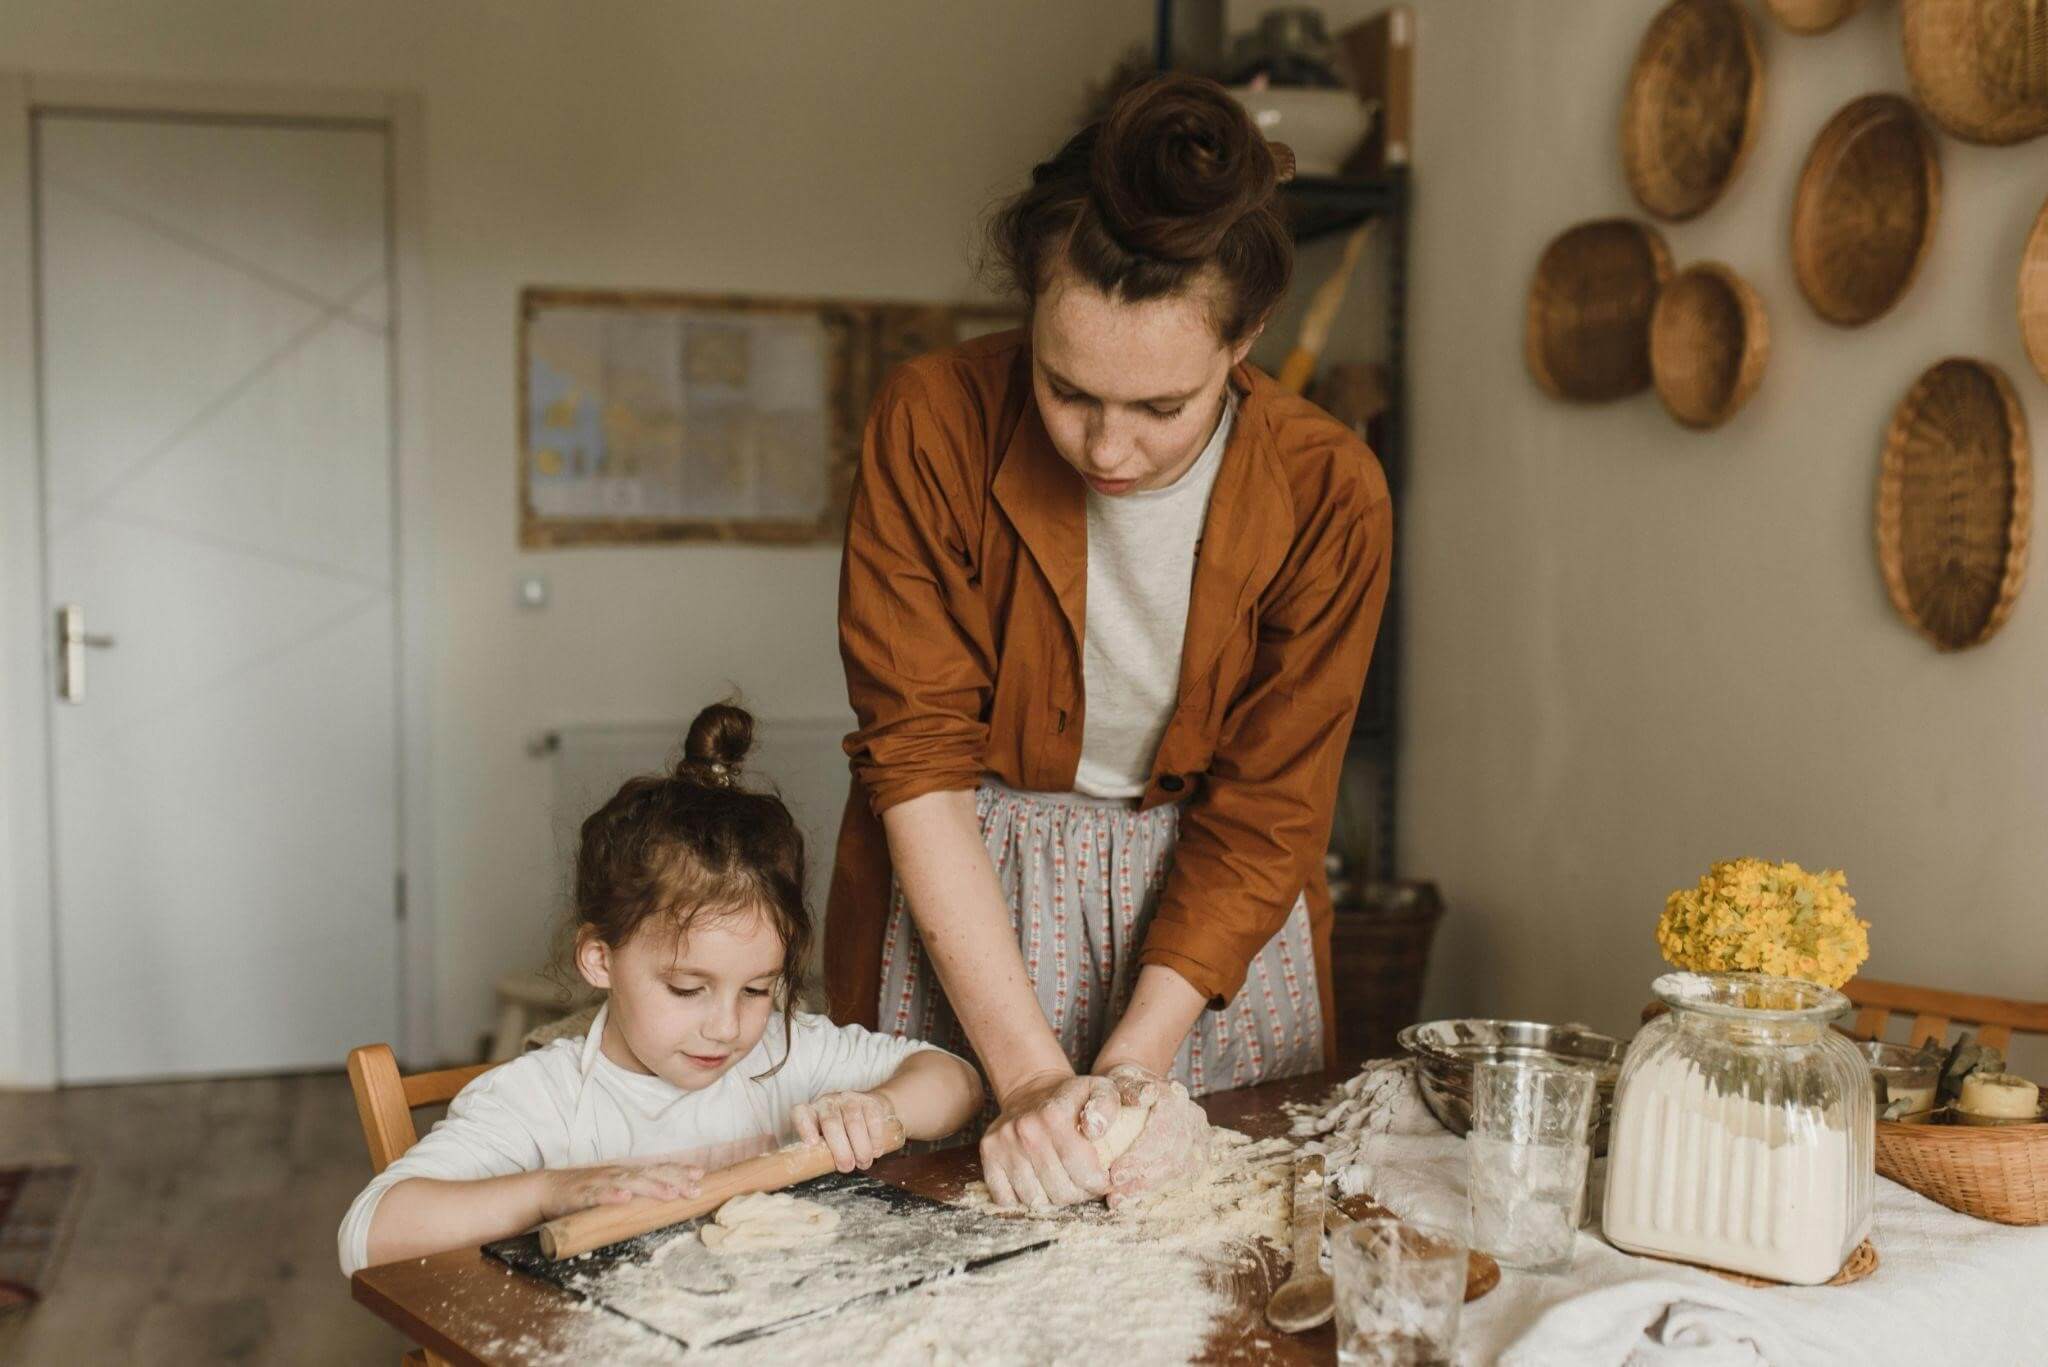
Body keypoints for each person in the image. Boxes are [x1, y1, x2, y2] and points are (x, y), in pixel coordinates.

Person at [826, 72, 1394, 1211]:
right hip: (974, 892)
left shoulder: (1330, 489)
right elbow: (918, 761)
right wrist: (1031, 1072)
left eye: (1160, 407)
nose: (1106, 447)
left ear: (1247, 340)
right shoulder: (930, 420)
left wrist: (1135, 1062)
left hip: (1207, 910)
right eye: (1064, 386)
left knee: (1205, 1250)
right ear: (1030, 304)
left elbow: (1267, 805)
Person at [338, 702, 982, 1275]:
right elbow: (370, 1235)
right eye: (686, 989)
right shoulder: (547, 1100)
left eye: (757, 989)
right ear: (599, 959)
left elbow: (957, 1082)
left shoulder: (786, 1057)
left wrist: (883, 1110)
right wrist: (549, 1191)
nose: (727, 1027)